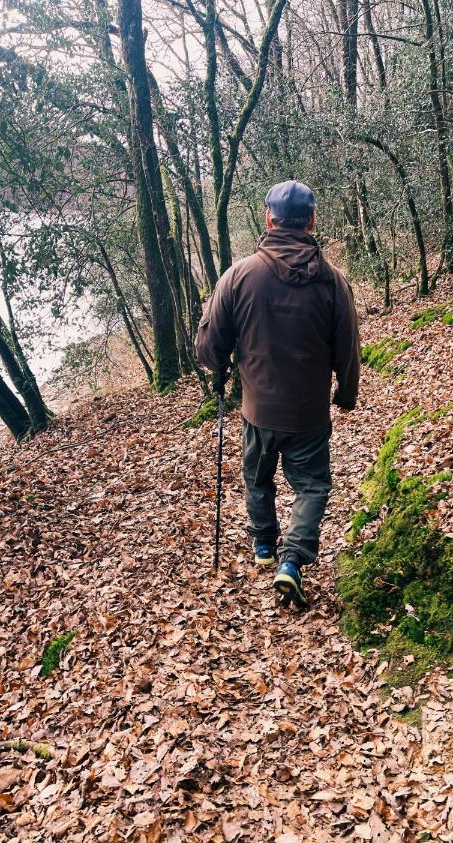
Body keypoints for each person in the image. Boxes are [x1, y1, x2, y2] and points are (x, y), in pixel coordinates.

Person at [195, 180, 360, 607]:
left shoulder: (240, 276)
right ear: (312, 221)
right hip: (308, 413)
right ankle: (293, 560)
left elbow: (210, 344)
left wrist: (217, 362)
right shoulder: (332, 281)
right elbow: (348, 345)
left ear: (269, 219)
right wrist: (346, 391)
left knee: (257, 478)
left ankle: (265, 546)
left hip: (258, 410)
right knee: (312, 486)